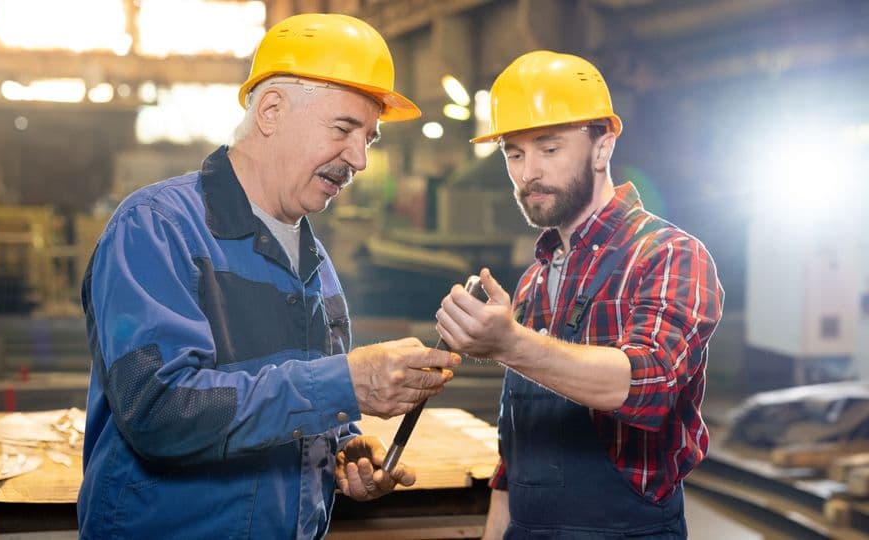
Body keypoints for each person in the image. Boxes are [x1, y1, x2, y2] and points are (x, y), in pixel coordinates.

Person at [77, 14, 460, 539]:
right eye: (344, 129)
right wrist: (343, 383)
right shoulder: (157, 228)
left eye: (369, 139)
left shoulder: (316, 265)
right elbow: (159, 410)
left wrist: (342, 446)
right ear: (272, 110)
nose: (359, 160)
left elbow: (296, 402)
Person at [436, 51, 724, 539]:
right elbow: (513, 456)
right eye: (514, 154)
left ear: (602, 147)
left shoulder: (668, 255)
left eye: (549, 149)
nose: (528, 172)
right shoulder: (532, 282)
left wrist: (510, 344)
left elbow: (648, 386)